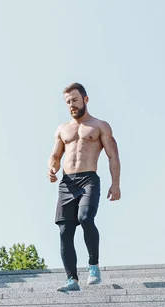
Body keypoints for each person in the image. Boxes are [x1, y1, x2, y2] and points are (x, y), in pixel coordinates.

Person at [48, 82, 121, 292]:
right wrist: (51, 169)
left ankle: (93, 266)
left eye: (75, 100)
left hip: (89, 179)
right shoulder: (62, 129)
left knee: (86, 218)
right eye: (68, 101)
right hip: (67, 183)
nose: (72, 105)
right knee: (64, 231)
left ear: (85, 100)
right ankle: (72, 279)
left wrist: (115, 184)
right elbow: (55, 156)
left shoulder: (100, 126)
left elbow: (113, 155)